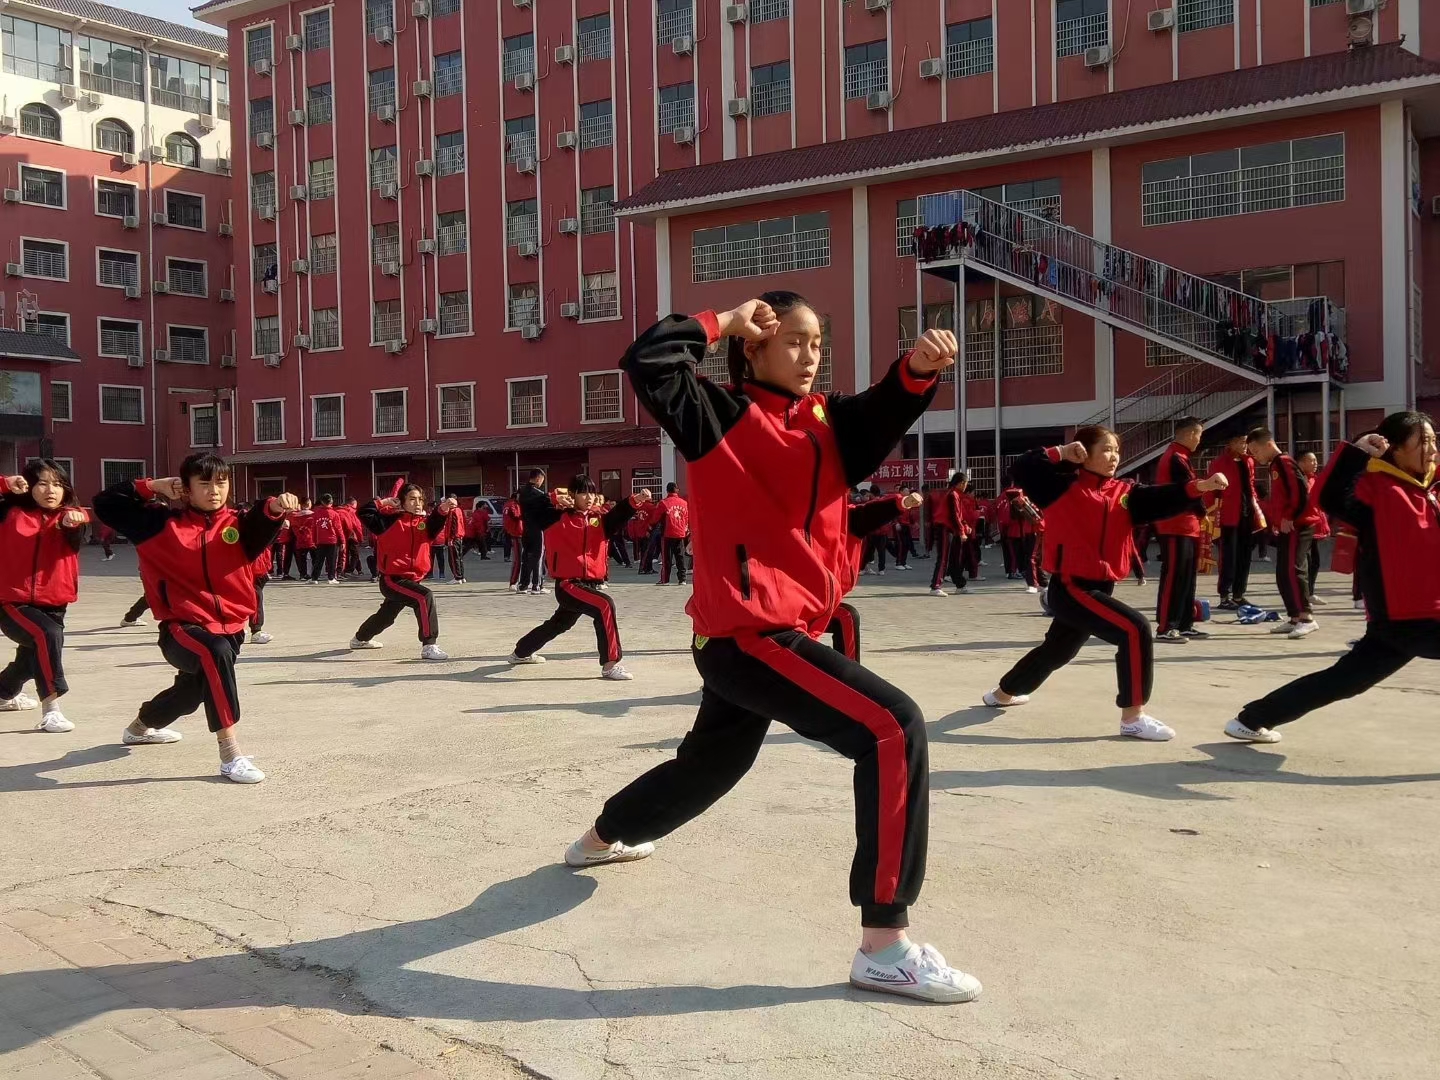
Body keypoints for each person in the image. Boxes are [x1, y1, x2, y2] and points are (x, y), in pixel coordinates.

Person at [566, 293, 981, 1003]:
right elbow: (648, 361)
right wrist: (723, 320)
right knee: (891, 728)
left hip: (766, 632)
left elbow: (884, 408)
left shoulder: (828, 426)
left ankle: (602, 837)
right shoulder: (720, 418)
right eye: (792, 340)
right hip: (746, 635)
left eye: (817, 341)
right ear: (753, 349)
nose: (810, 353)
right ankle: (885, 944)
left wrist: (915, 368)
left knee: (710, 768)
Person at [983, 428, 1229, 741]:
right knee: (1135, 629)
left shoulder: (1123, 493)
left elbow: (1160, 498)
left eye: (1116, 450)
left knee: (1058, 650)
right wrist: (1061, 452)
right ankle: (1133, 716)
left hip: (1102, 585)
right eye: (1106, 449)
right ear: (1084, 452)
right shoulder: (1060, 487)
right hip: (1072, 586)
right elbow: (1021, 468)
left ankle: (1003, 693)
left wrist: (1200, 486)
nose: (1113, 457)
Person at [1224, 414, 1437, 743]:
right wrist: (1357, 453)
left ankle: (1253, 719)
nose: (1433, 448)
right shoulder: (1377, 490)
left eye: (1434, 439)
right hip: (1405, 618)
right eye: (1423, 441)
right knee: (1345, 680)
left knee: (1345, 682)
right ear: (1393, 448)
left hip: (1414, 619)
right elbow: (1330, 496)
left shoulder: (1432, 491)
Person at [93, 455, 294, 784]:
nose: (215, 490)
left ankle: (139, 727)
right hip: (180, 629)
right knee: (215, 653)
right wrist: (153, 486)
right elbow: (105, 503)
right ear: (185, 489)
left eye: (221, 482)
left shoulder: (238, 526)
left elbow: (263, 519)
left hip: (231, 628)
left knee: (193, 691)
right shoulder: (158, 525)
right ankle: (230, 753)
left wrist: (275, 506)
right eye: (204, 483)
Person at [508, 477, 651, 677]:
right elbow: (527, 500)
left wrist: (634, 501)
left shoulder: (599, 519)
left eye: (592, 492)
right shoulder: (555, 517)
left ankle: (521, 652)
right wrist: (553, 497)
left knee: (559, 624)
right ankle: (610, 664)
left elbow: (619, 515)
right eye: (583, 493)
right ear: (572, 494)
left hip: (589, 584)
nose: (589, 497)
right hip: (568, 584)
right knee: (605, 605)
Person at [0, 462, 89, 732]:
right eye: (42, 483)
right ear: (29, 486)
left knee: (33, 658)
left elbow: (76, 539)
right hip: (11, 601)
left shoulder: (72, 517)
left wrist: (71, 524)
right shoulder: (10, 511)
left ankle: (4, 692)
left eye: (58, 484)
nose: (51, 490)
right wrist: (4, 484)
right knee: (47, 635)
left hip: (55, 603)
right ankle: (52, 709)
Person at [350, 486, 453, 659]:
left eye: (420, 499)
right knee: (424, 596)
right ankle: (429, 645)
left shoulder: (424, 523)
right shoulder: (388, 521)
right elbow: (363, 512)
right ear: (402, 501)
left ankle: (360, 639)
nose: (417, 503)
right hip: (392, 580)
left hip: (413, 580)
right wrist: (384, 502)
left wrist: (443, 509)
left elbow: (437, 521)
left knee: (386, 617)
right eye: (412, 499)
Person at [1247, 427, 1322, 638]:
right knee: (1282, 572)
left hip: (1299, 524)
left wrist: (1290, 516)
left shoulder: (1284, 462)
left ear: (1268, 445)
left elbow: (1300, 490)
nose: (1254, 456)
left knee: (1293, 569)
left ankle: (1307, 617)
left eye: (1255, 450)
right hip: (1287, 525)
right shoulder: (1275, 465)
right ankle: (1295, 617)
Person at [831, 491, 924, 660]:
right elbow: (863, 515)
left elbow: (866, 514)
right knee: (846, 617)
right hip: (792, 605)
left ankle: (848, 677)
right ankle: (848, 680)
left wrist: (902, 503)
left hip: (811, 599)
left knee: (846, 616)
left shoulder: (840, 514)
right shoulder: (826, 516)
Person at [1153, 416, 1208, 643]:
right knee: (1174, 576)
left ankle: (1185, 623)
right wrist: (1204, 510)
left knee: (1187, 577)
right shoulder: (1175, 457)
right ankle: (1166, 626)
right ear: (1190, 434)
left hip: (1187, 526)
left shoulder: (1182, 456)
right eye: (1199, 435)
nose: (1199, 440)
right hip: (1174, 525)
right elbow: (1189, 491)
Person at [1208, 432, 1259, 609]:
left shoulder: (1249, 461)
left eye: (1245, 442)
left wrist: (1257, 509)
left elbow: (1251, 487)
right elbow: (1211, 491)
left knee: (1245, 556)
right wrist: (1211, 514)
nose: (1244, 445)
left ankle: (1239, 594)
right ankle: (1225, 595)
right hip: (1227, 516)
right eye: (1240, 441)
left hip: (1246, 515)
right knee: (1228, 557)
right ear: (1230, 443)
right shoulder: (1219, 463)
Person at [928, 472, 966, 597]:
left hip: (950, 528)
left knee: (955, 557)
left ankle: (959, 584)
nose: (965, 486)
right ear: (961, 483)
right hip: (944, 528)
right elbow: (954, 515)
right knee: (943, 557)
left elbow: (958, 516)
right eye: (965, 483)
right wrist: (961, 531)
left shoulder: (954, 494)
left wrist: (963, 527)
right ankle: (935, 586)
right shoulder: (952, 494)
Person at [1298, 451, 1328, 603]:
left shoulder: (1313, 479)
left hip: (1315, 523)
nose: (1315, 463)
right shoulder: (1301, 479)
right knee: (1308, 561)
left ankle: (1310, 592)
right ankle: (1305, 594)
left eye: (1316, 460)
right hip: (1306, 524)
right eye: (1311, 460)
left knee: (1315, 561)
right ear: (1301, 463)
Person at [517, 470, 550, 594]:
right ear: (538, 479)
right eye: (542, 480)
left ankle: (523, 585)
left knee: (526, 556)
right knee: (538, 555)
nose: (542, 483)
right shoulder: (539, 494)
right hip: (537, 528)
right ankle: (537, 585)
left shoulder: (521, 492)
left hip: (526, 527)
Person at [656, 482, 690, 585]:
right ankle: (682, 579)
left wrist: (652, 526)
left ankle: (665, 579)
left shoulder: (663, 503)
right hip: (680, 533)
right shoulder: (684, 503)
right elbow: (687, 518)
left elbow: (655, 517)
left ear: (667, 491)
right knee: (680, 557)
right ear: (677, 490)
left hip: (667, 533)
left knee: (667, 558)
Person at [309, 493, 344, 584]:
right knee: (331, 560)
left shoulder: (316, 513)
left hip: (320, 540)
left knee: (318, 561)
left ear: (321, 502)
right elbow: (338, 528)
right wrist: (342, 541)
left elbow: (313, 528)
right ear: (331, 502)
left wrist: (313, 540)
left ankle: (314, 578)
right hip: (332, 540)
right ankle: (331, 578)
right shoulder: (334, 514)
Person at [249, 535, 273, 645]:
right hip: (252, 570)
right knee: (255, 600)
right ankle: (256, 631)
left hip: (260, 569)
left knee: (255, 599)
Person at [286, 498, 317, 580]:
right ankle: (315, 574)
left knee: (301, 559)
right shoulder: (314, 515)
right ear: (309, 504)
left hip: (300, 540)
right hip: (312, 540)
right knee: (315, 558)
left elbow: (291, 528)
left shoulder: (294, 517)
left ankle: (303, 574)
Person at [502, 491, 525, 586]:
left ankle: (518, 581)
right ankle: (513, 582)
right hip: (517, 533)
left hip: (513, 532)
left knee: (519, 558)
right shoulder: (513, 505)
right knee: (518, 559)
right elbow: (516, 516)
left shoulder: (508, 504)